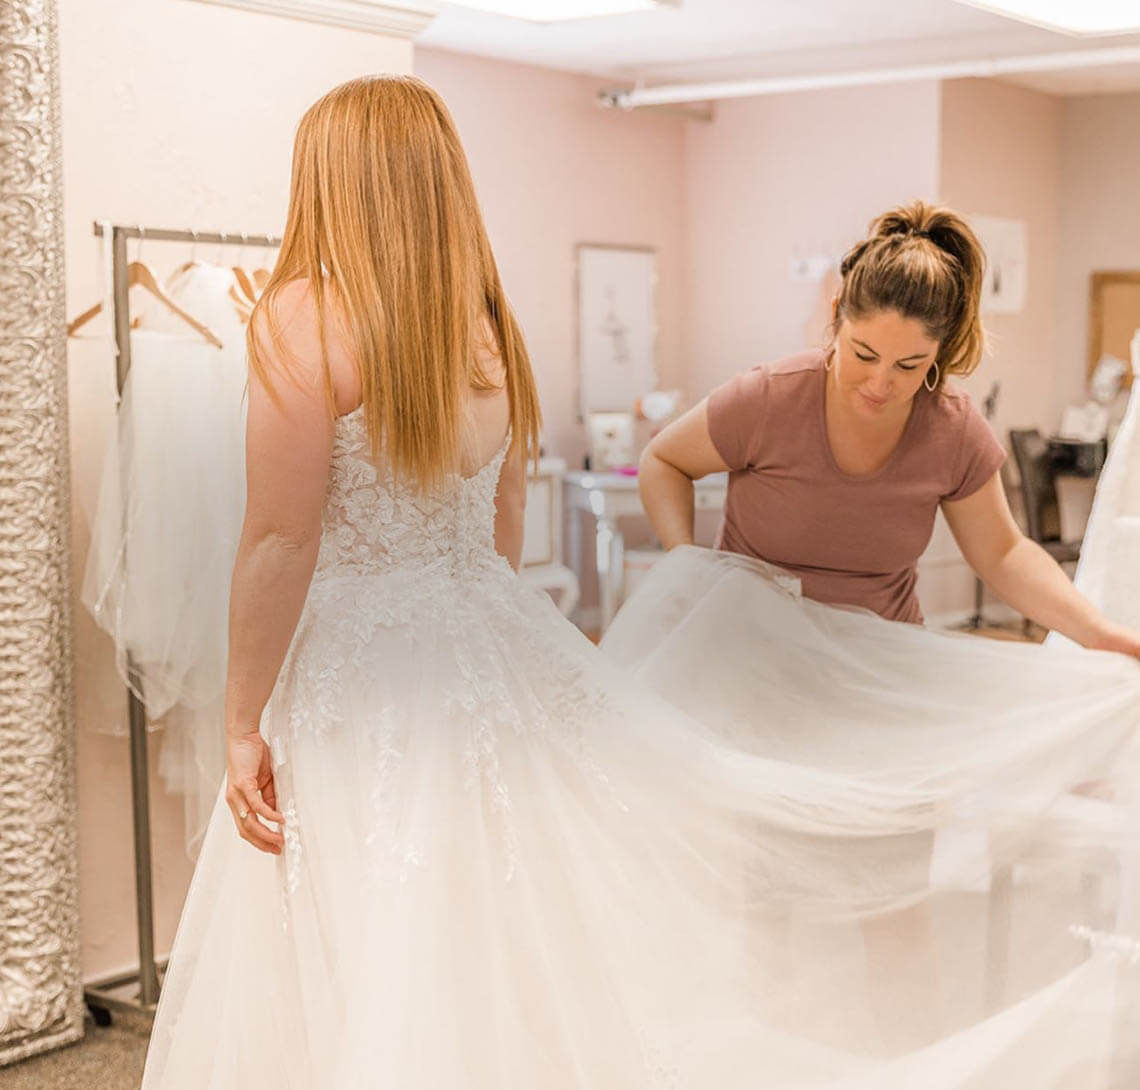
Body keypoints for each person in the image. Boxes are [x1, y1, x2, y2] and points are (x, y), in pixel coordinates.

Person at [140, 81, 1140, 1090]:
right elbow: (500, 523)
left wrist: (239, 717)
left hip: (363, 663)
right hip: (486, 641)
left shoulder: (302, 319)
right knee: (488, 909)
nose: (882, 377)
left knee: (366, 911)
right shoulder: (485, 326)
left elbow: (279, 537)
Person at [637, 201, 1140, 658]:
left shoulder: (953, 429)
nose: (881, 383)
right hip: (749, 653)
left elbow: (1003, 554)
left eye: (909, 364)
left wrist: (1102, 635)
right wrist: (688, 568)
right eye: (864, 354)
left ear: (938, 354)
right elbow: (664, 460)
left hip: (880, 665)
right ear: (837, 317)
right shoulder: (770, 398)